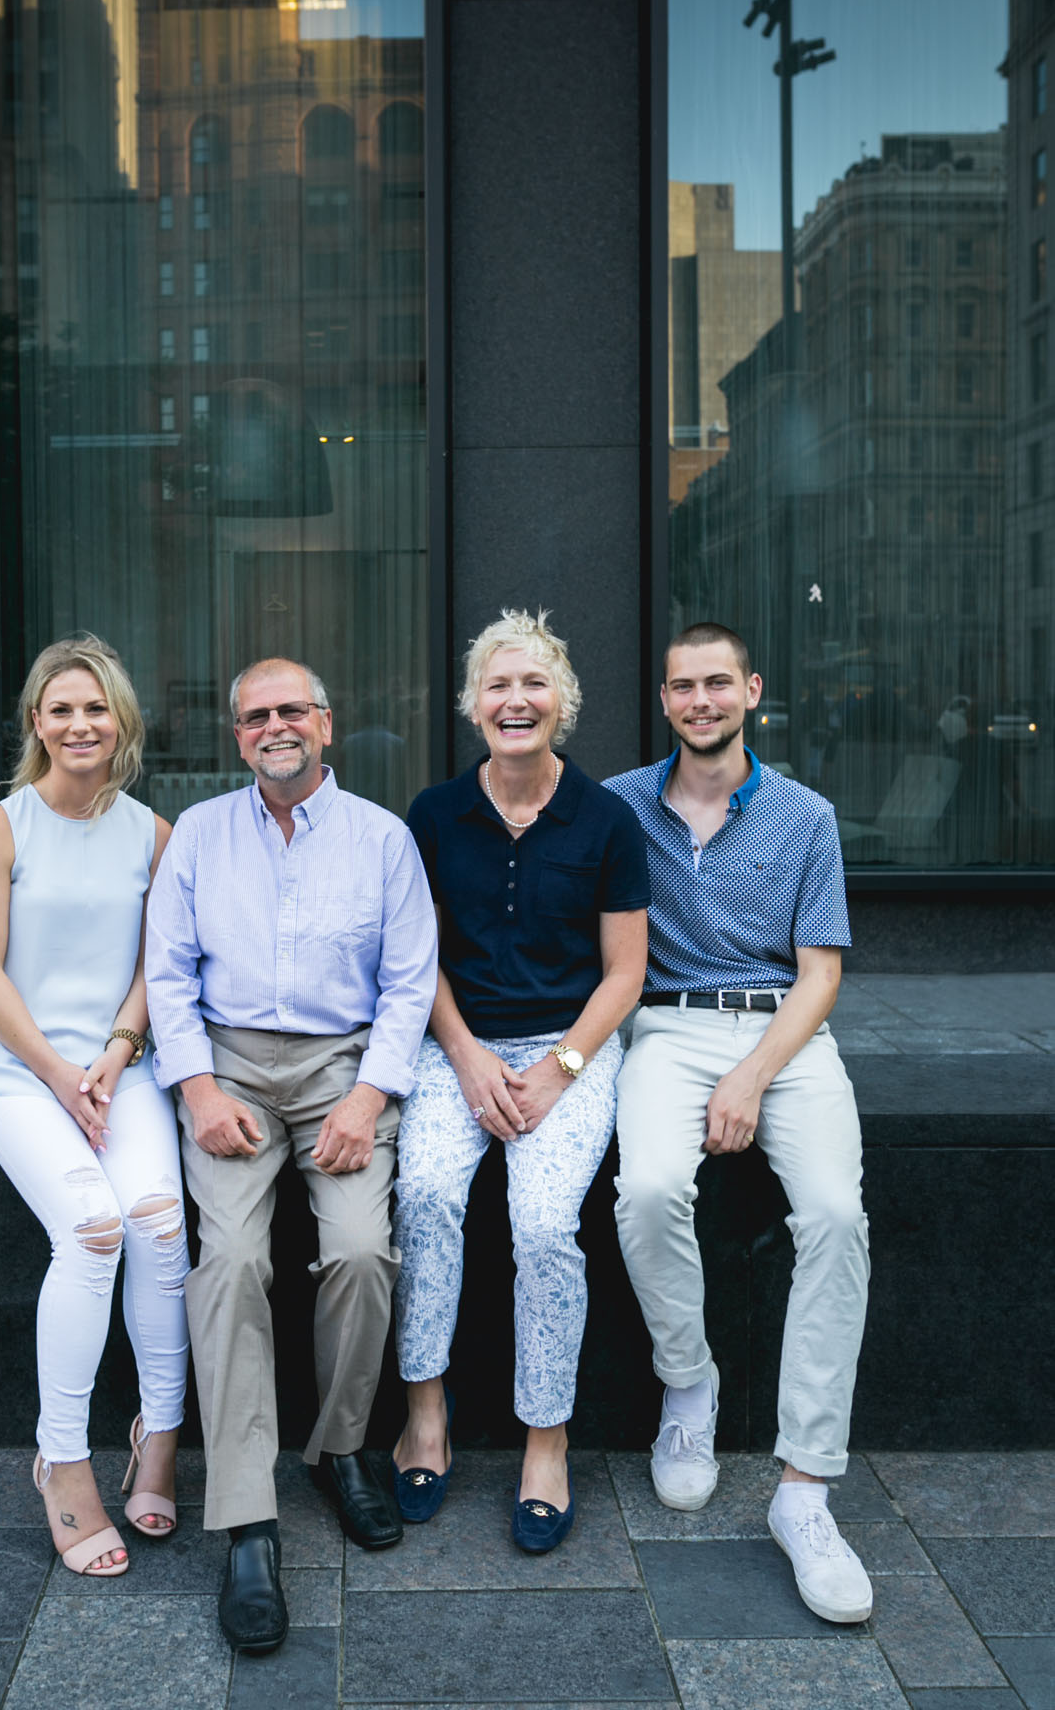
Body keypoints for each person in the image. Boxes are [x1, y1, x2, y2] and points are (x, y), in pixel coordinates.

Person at [145, 658, 437, 1654]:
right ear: (238, 737)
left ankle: (340, 1449)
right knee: (227, 1261)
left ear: (327, 721)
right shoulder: (197, 837)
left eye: (292, 709)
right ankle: (245, 1519)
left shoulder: (383, 839)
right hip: (225, 1065)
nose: (276, 725)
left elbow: (408, 983)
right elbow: (168, 973)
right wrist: (194, 1086)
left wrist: (368, 1092)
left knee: (359, 1249)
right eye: (256, 714)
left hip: (340, 1069)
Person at [605, 622, 872, 1625]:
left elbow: (822, 975)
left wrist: (755, 1075)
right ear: (665, 699)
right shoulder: (621, 806)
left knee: (837, 1217)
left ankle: (804, 1487)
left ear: (751, 690)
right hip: (666, 1027)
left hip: (786, 1034)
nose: (701, 700)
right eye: (683, 686)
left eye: (719, 682)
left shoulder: (806, 816)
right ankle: (690, 1385)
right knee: (649, 1189)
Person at [391, 609, 649, 1550]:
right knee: (421, 1194)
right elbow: (414, 962)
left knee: (543, 1225)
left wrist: (558, 1069)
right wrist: (463, 1057)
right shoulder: (432, 815)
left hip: (569, 1046)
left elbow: (624, 971)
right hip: (450, 1042)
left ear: (562, 703)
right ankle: (426, 1416)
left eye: (533, 683)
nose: (515, 700)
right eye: (497, 685)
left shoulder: (606, 819)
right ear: (472, 706)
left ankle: (547, 1437)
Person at [0, 634, 189, 1578]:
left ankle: (160, 1433)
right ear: (36, 725)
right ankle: (61, 1457)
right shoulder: (0, 828)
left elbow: (158, 965)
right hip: (17, 1070)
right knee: (93, 1229)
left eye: (95, 708)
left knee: (159, 1223)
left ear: (120, 721)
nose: (79, 724)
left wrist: (118, 1050)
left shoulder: (154, 834)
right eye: (61, 710)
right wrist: (58, 1072)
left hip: (119, 1065)